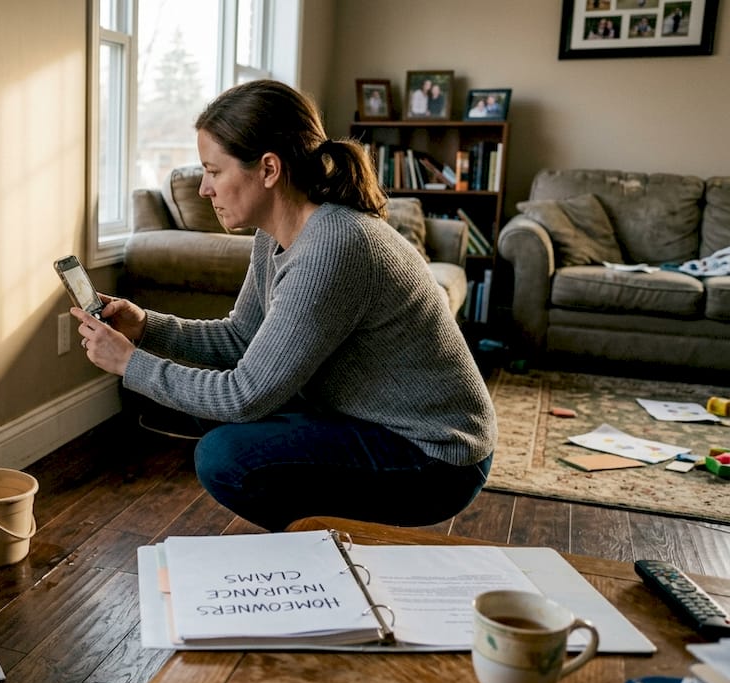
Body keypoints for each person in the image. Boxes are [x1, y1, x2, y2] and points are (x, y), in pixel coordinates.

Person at [69, 79, 496, 531]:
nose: (204, 190)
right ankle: (318, 541)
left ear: (268, 169)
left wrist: (130, 364)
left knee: (225, 457)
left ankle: (321, 554)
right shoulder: (274, 236)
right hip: (373, 420)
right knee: (203, 408)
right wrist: (146, 327)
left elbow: (244, 395)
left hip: (435, 456)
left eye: (214, 172)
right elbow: (240, 338)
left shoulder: (336, 245)